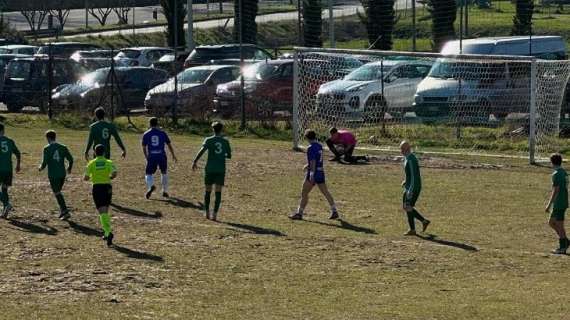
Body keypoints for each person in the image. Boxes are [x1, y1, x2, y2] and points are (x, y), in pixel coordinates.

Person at [289, 129, 339, 220]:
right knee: (326, 192)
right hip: (320, 172)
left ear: (307, 138)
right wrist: (307, 165)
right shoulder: (319, 146)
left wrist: (311, 173)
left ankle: (299, 213)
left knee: (304, 192)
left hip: (314, 173)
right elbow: (317, 159)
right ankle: (334, 210)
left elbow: (313, 161)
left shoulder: (310, 148)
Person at [192, 122, 232, 221]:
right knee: (218, 192)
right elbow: (229, 156)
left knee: (207, 191)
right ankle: (215, 214)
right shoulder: (225, 141)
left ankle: (207, 212)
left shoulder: (208, 140)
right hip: (220, 169)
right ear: (221, 129)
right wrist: (222, 155)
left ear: (212, 129)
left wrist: (195, 161)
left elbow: (202, 150)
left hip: (209, 169)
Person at [84, 144, 117, 247]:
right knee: (105, 210)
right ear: (104, 152)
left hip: (97, 187)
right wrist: (110, 177)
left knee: (101, 211)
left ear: (94, 152)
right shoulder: (108, 162)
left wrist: (91, 176)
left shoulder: (91, 163)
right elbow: (114, 173)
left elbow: (85, 177)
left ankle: (108, 231)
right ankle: (106, 233)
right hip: (107, 187)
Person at [38, 130, 74, 220]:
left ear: (48, 138)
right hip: (62, 173)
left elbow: (44, 163)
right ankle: (62, 210)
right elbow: (71, 159)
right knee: (58, 192)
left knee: (57, 192)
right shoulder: (63, 147)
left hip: (53, 174)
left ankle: (65, 211)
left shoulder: (46, 148)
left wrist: (40, 168)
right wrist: (69, 168)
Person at [142, 117, 178, 199]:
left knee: (148, 173)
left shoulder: (146, 134)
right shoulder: (163, 133)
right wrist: (173, 155)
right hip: (162, 155)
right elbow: (169, 145)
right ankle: (165, 191)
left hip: (152, 156)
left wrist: (146, 157)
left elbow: (144, 147)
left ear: (150, 124)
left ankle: (151, 186)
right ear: (157, 124)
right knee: (164, 172)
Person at [400, 141, 430, 236]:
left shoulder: (411, 159)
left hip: (412, 187)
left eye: (402, 149)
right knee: (408, 207)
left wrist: (410, 189)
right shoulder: (407, 157)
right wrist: (405, 180)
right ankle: (414, 228)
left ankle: (421, 223)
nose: (401, 151)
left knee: (407, 206)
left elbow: (414, 175)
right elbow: (411, 174)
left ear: (407, 149)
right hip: (411, 185)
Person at [545, 153, 569, 254]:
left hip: (558, 202)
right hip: (564, 201)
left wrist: (549, 204)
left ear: (552, 162)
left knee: (556, 224)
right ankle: (565, 241)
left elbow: (556, 190)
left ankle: (563, 246)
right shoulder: (564, 172)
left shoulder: (556, 174)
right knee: (555, 223)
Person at [0, 123, 21, 219]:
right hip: (8, 169)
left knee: (3, 189)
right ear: (3, 131)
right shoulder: (10, 141)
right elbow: (17, 153)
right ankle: (5, 209)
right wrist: (18, 165)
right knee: (4, 188)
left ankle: (6, 204)